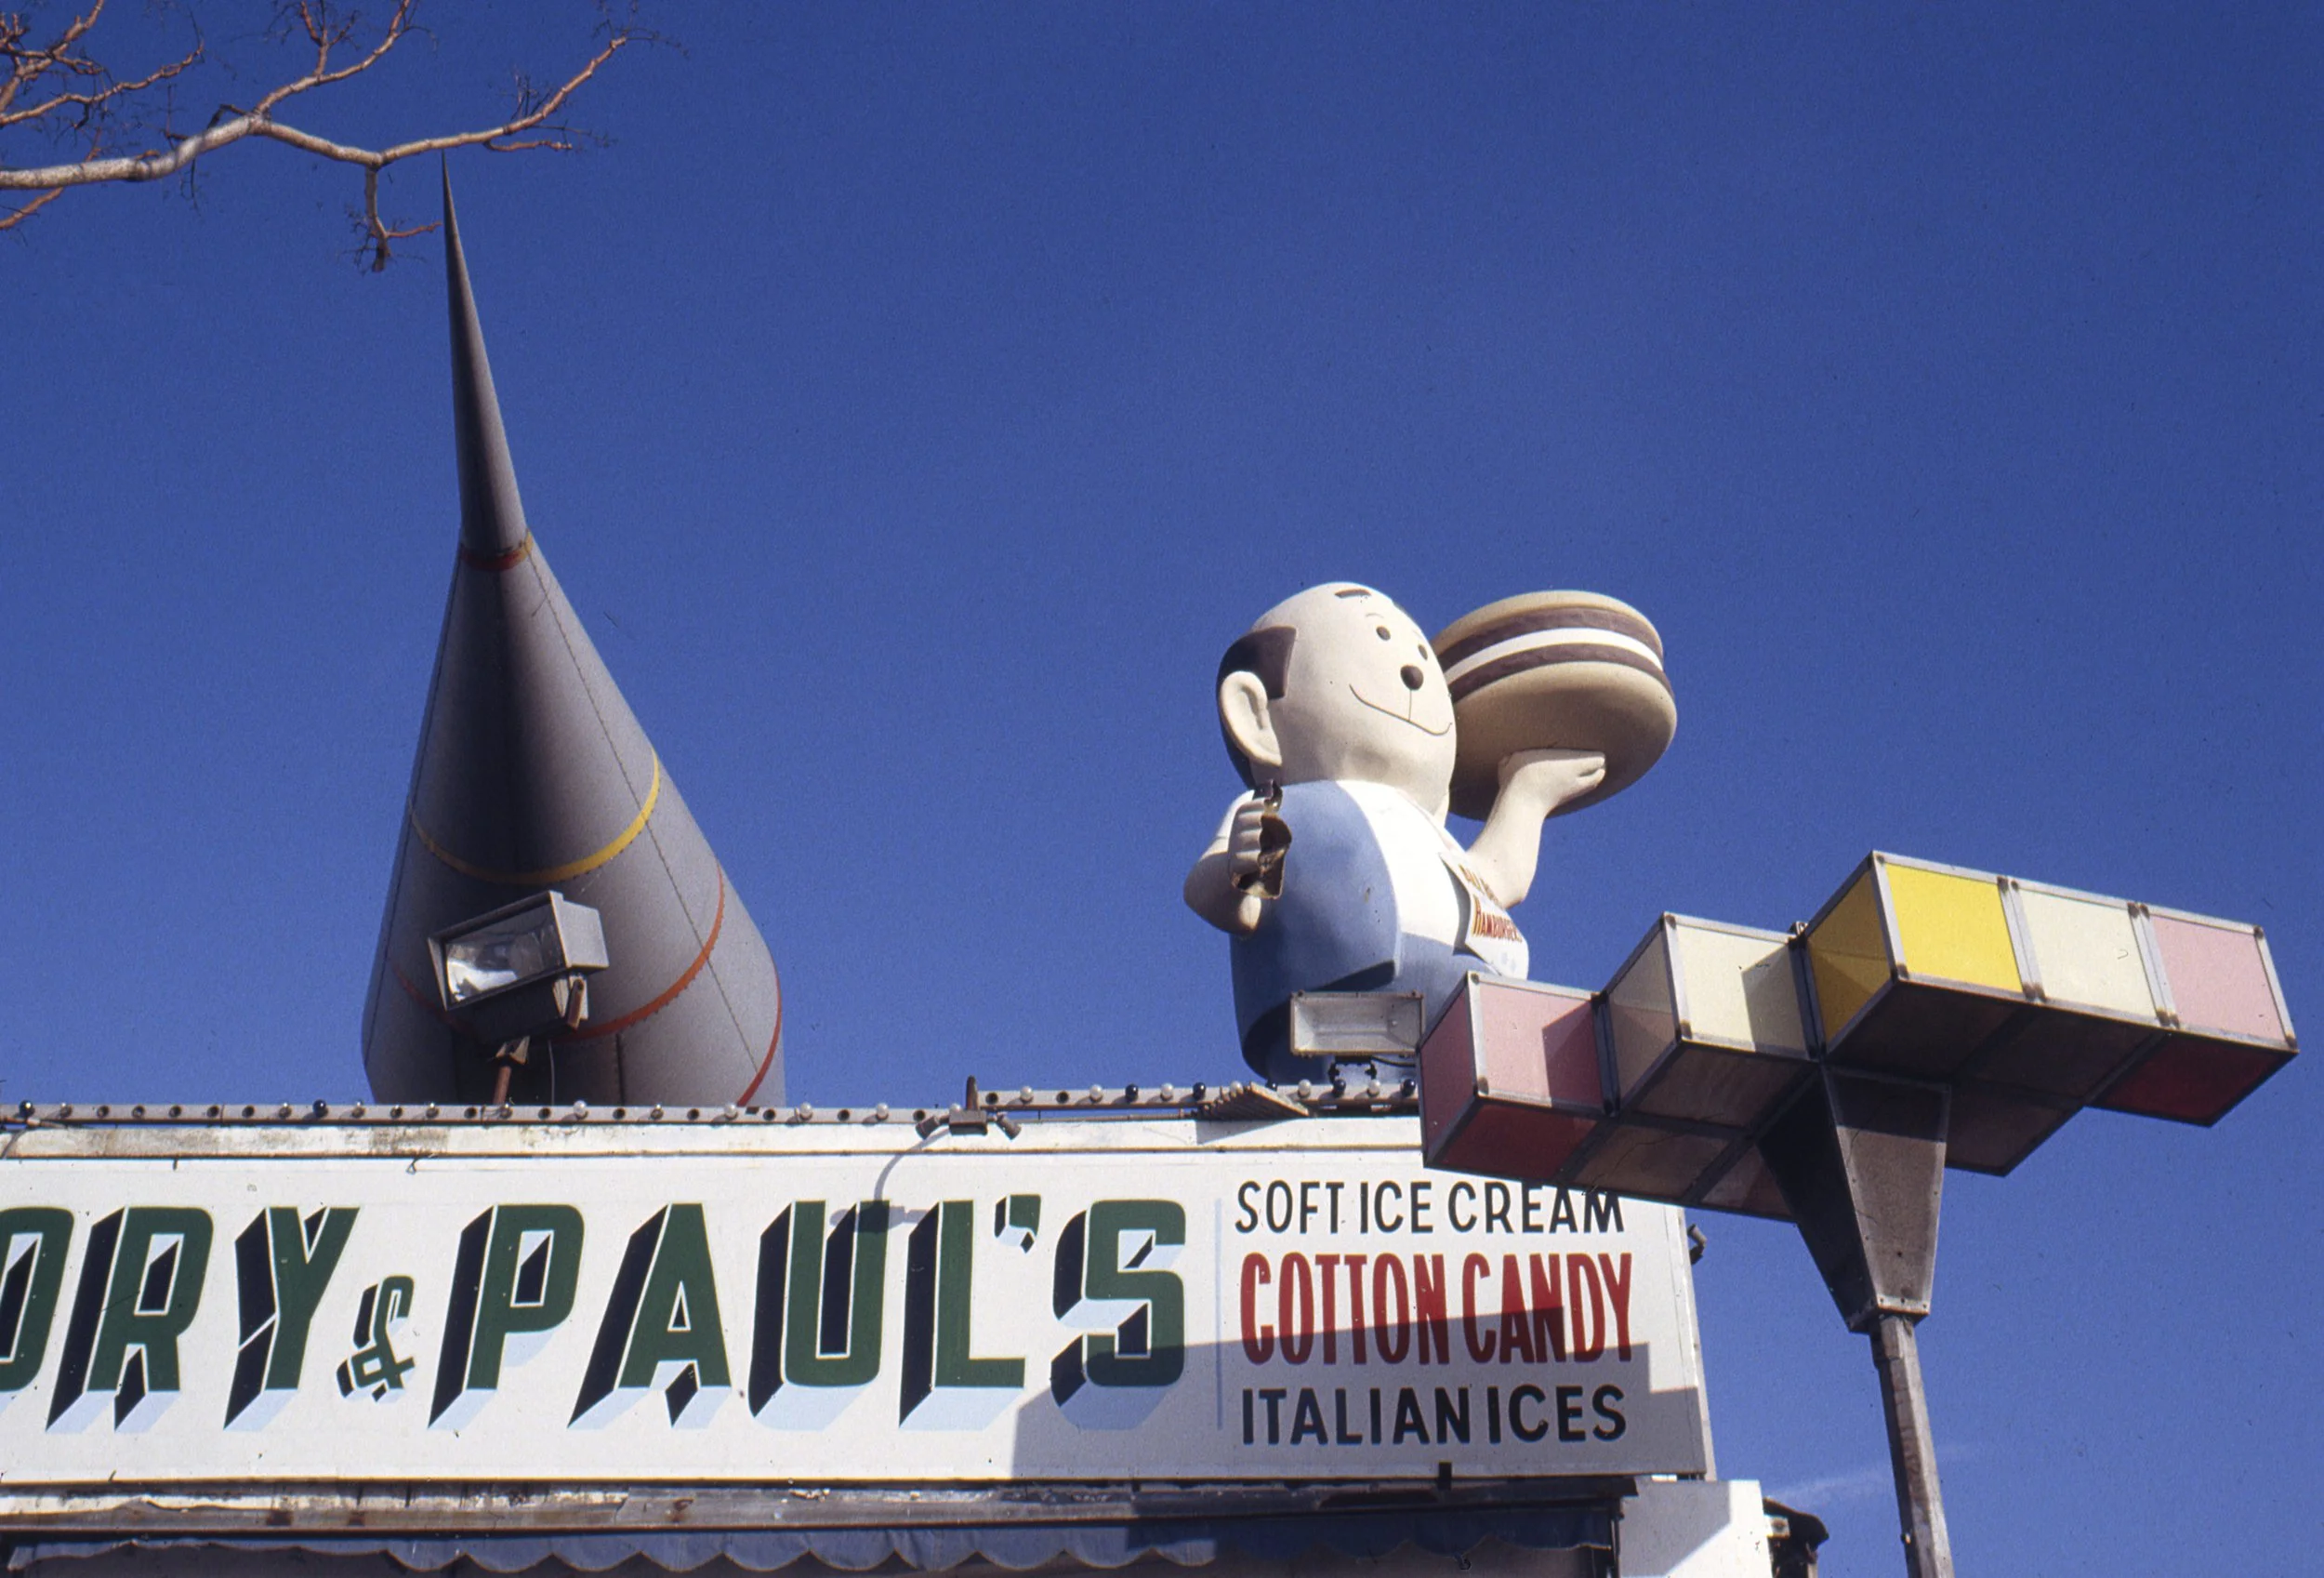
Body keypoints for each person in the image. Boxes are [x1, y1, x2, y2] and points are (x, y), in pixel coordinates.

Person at [1184, 583, 1604, 1080]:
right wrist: (1239, 870)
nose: (1413, 673)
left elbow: (1494, 881)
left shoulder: (1431, 837)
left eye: (1421, 658)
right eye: (1379, 642)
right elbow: (1220, 897)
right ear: (1256, 714)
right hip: (1334, 1031)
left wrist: (1527, 794)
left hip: (1469, 1036)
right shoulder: (1279, 810)